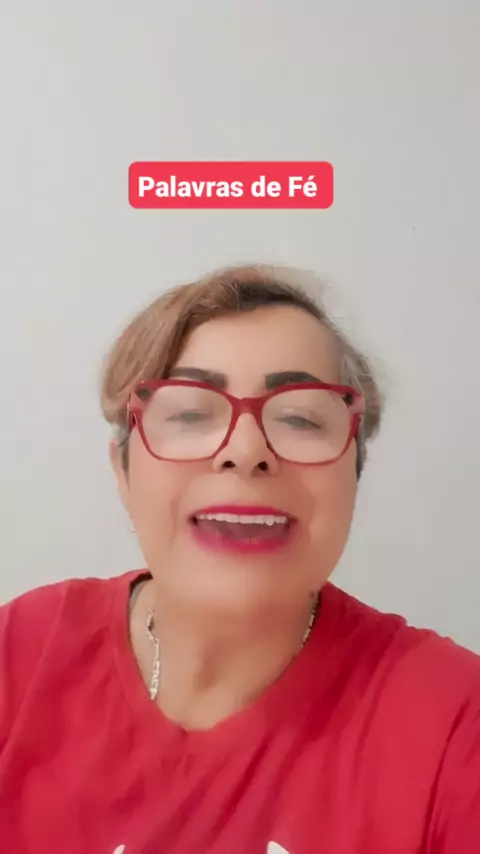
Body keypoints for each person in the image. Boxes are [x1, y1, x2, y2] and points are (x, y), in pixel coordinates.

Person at [0, 264, 478, 854]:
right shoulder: (19, 655)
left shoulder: (454, 721)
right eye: (190, 414)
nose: (246, 451)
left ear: (355, 473)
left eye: (300, 418)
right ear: (123, 471)